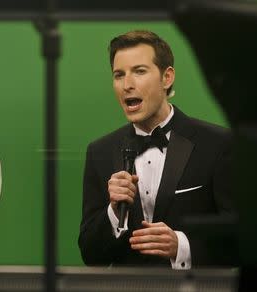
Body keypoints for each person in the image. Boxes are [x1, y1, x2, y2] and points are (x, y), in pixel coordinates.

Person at [78, 30, 235, 269]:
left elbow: (241, 240)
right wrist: (112, 211)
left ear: (167, 77)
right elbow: (90, 254)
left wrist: (180, 246)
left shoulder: (218, 144)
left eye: (139, 71)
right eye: (119, 75)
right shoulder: (99, 152)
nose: (127, 85)